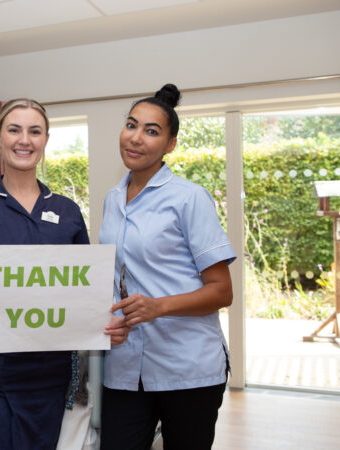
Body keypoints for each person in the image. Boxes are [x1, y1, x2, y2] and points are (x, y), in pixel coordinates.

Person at [0, 98, 129, 450]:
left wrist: (106, 325)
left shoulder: (66, 212)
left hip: (48, 377)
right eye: (14, 130)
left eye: (35, 131)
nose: (25, 140)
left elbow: (87, 297)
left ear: (46, 140)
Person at [98, 84, 236, 450]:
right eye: (131, 125)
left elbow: (222, 291)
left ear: (170, 144)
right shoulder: (112, 199)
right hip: (125, 368)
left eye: (152, 131)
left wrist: (158, 306)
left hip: (187, 367)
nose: (136, 138)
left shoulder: (189, 198)